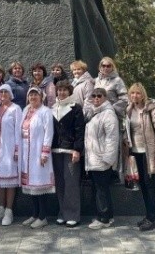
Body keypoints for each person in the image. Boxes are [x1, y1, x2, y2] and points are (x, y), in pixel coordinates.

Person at [123, 83, 155, 232]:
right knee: (142, 184)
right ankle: (148, 216)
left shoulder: (151, 109)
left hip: (149, 153)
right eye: (132, 93)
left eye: (138, 93)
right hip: (135, 152)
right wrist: (126, 139)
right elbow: (128, 129)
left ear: (143, 95)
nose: (135, 96)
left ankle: (152, 218)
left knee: (150, 185)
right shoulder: (129, 109)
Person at [19, 87, 55, 229]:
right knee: (31, 186)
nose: (33, 97)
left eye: (35, 95)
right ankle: (34, 214)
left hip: (38, 152)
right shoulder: (26, 110)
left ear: (41, 97)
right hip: (26, 154)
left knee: (39, 185)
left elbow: (49, 133)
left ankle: (42, 216)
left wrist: (45, 152)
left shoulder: (45, 111)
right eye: (31, 95)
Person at [51, 80, 85, 228]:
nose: (62, 92)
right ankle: (62, 213)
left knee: (71, 183)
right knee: (60, 183)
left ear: (69, 92)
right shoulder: (53, 108)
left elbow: (80, 130)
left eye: (65, 90)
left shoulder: (76, 108)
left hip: (71, 150)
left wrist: (77, 149)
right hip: (56, 150)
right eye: (59, 90)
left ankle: (73, 215)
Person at [85, 87, 119, 230]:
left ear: (105, 98)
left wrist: (108, 159)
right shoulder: (94, 113)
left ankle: (104, 218)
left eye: (99, 96)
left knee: (101, 190)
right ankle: (106, 216)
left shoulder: (108, 114)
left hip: (102, 159)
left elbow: (112, 138)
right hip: (93, 158)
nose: (96, 98)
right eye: (94, 96)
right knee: (99, 189)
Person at [0, 84, 22, 226]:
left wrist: (17, 149)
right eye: (1, 91)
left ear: (10, 94)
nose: (3, 94)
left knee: (10, 181)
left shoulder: (16, 109)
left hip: (10, 149)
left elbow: (19, 130)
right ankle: (1, 209)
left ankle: (9, 211)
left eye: (6, 92)